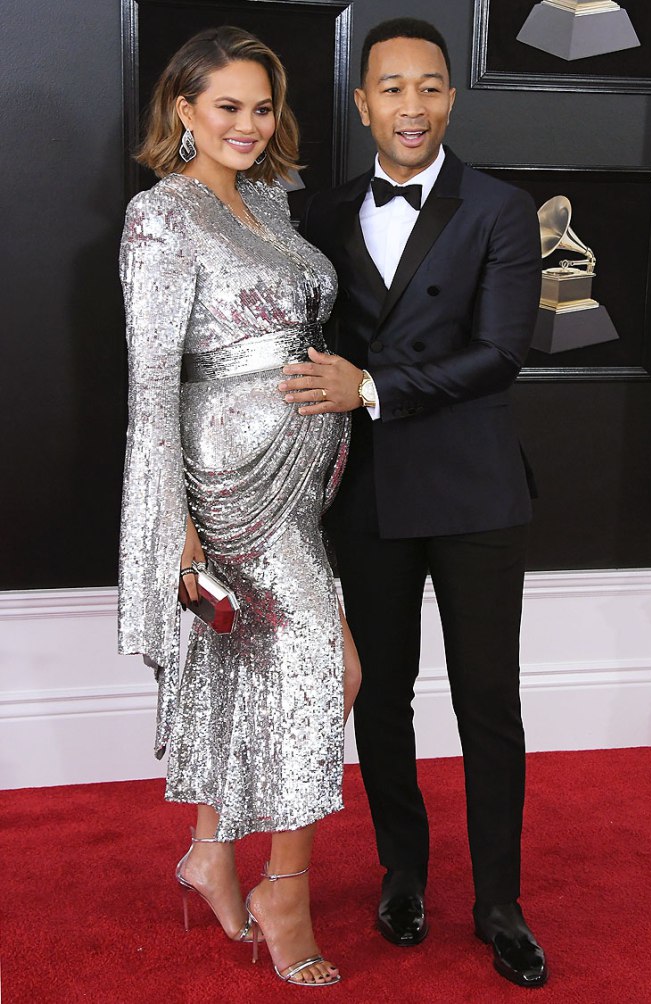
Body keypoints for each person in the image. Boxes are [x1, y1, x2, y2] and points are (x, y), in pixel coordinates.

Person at [282, 17, 548, 990]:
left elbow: (500, 352)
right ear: (362, 103)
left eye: (429, 86)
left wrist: (372, 387)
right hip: (372, 493)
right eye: (391, 88)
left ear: (451, 97)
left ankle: (500, 902)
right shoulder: (320, 213)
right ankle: (403, 873)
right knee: (382, 692)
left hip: (476, 489)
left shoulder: (501, 208)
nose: (412, 106)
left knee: (489, 703)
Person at [117, 25, 360, 988]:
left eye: (262, 107)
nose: (249, 125)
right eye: (227, 106)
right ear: (183, 109)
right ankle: (283, 890)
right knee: (326, 671)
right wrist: (174, 529)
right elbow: (151, 389)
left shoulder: (266, 199)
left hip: (299, 484)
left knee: (251, 669)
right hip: (226, 489)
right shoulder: (160, 216)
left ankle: (210, 852)